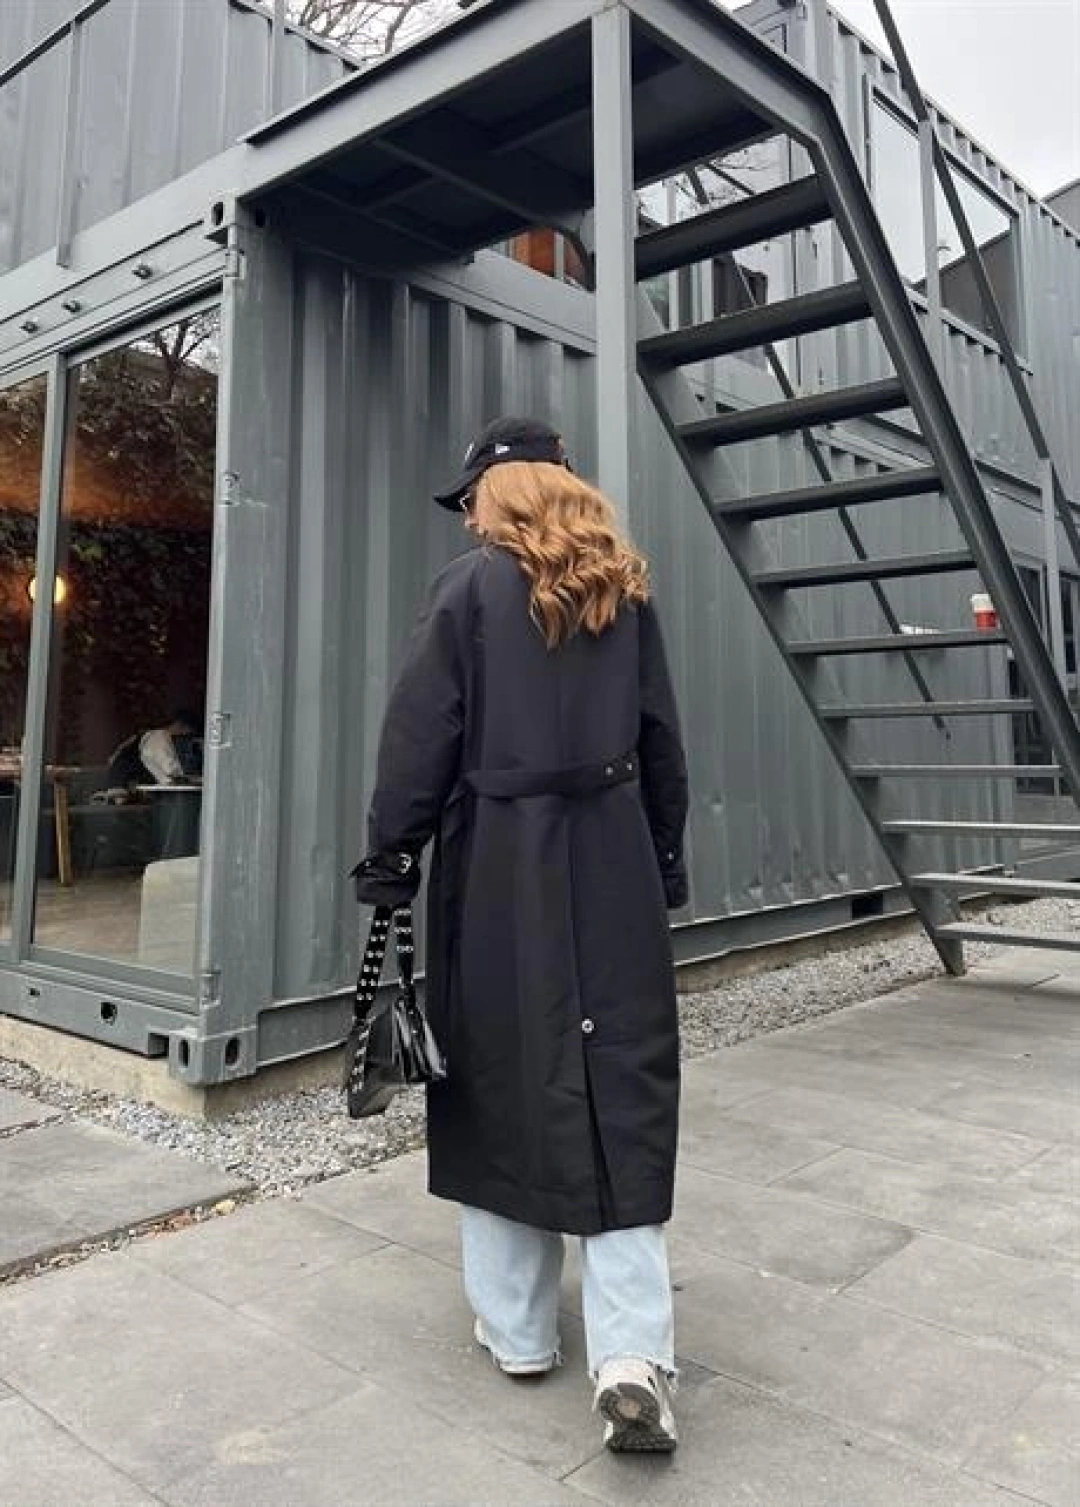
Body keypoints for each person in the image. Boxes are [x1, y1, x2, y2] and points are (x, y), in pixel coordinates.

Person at [353, 417, 689, 1452]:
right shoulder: (624, 594)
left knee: (499, 1075)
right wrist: (663, 861)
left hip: (500, 864)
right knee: (622, 1082)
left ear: (495, 498)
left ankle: (520, 1333)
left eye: (470, 502)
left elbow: (419, 737)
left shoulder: (466, 593)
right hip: (613, 861)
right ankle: (631, 1352)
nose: (467, 520)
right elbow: (661, 739)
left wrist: (391, 858)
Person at [107, 710, 203, 791]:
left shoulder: (153, 736)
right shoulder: (158, 737)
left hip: (126, 786)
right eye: (188, 734)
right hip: (124, 788)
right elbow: (170, 771)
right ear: (181, 726)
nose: (186, 738)